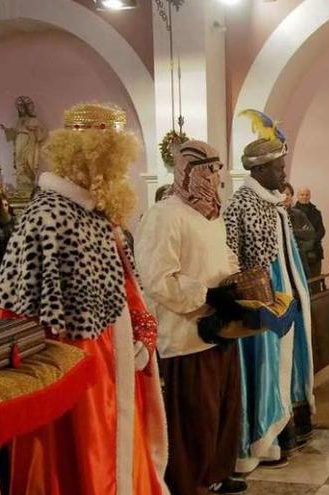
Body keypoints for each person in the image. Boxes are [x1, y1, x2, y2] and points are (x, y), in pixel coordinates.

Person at [0, 102, 168, 494]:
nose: (120, 175)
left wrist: (141, 330)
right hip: (75, 372)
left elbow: (126, 286)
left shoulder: (97, 215)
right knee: (85, 463)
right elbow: (19, 312)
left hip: (113, 363)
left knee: (119, 457)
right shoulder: (49, 216)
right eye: (114, 163)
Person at [137, 140, 246, 495]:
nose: (215, 177)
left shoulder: (212, 214)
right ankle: (190, 482)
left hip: (220, 327)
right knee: (194, 415)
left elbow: (225, 258)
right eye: (208, 170)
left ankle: (216, 472)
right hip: (184, 333)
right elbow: (158, 277)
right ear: (188, 171)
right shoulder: (164, 214)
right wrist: (205, 295)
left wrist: (234, 287)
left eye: (217, 170)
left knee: (224, 407)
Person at [224, 109, 315, 472]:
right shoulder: (242, 205)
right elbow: (233, 258)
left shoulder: (276, 205)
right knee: (268, 367)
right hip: (263, 303)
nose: (283, 173)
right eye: (278, 168)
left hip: (287, 299)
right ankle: (266, 441)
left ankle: (290, 429)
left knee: (289, 365)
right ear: (259, 170)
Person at [281, 183, 317, 275]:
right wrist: (301, 233)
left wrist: (291, 231)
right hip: (282, 262)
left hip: (300, 258)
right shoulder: (273, 216)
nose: (285, 197)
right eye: (282, 194)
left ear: (292, 196)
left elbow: (311, 233)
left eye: (288, 194)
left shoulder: (298, 214)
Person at [293, 187, 326, 281]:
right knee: (301, 281)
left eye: (307, 194)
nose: (304, 197)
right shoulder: (292, 213)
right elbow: (294, 233)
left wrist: (311, 241)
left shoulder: (316, 212)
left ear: (310, 196)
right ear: (297, 196)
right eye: (302, 195)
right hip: (299, 251)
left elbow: (321, 230)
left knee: (315, 281)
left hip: (316, 250)